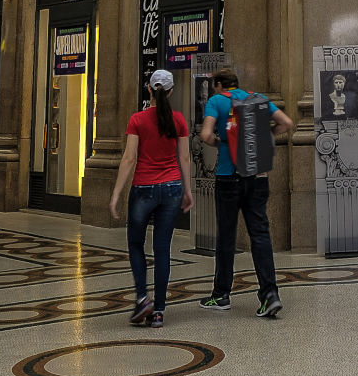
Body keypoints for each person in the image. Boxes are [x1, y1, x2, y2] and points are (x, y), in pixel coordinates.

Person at [199, 67, 294, 317]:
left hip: (228, 177)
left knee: (227, 237)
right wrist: (267, 137)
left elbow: (206, 134)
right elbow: (287, 123)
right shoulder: (258, 99)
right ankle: (270, 294)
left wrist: (223, 142)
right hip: (258, 177)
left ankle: (221, 294)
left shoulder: (217, 101)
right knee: (260, 234)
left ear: (219, 84)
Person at [110, 69, 195, 327]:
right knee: (162, 249)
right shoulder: (178, 120)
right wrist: (187, 190)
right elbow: (184, 158)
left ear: (149, 89)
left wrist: (116, 193)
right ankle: (158, 311)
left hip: (143, 189)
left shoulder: (137, 119)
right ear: (170, 92)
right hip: (171, 189)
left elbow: (130, 158)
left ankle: (141, 299)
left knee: (136, 244)